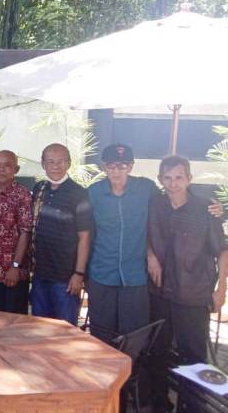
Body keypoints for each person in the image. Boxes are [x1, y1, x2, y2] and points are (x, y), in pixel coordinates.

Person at [147, 156, 228, 411]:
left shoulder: (206, 208)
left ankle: (192, 406)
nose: (173, 183)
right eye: (167, 178)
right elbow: (145, 233)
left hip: (193, 294)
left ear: (189, 179)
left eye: (179, 177)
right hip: (160, 292)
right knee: (158, 351)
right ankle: (160, 404)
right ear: (160, 180)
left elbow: (222, 251)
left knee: (193, 357)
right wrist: (150, 256)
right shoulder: (155, 204)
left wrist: (221, 289)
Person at [86, 144, 158, 340]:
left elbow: (172, 202)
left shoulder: (146, 188)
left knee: (134, 334)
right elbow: (84, 230)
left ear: (131, 166)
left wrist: (210, 206)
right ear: (104, 167)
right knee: (101, 334)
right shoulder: (94, 192)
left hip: (135, 274)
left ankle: (130, 362)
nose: (116, 171)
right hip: (101, 272)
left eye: (122, 166)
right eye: (111, 166)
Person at [29, 144, 93, 325]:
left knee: (65, 331)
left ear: (69, 163)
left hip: (66, 278)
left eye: (61, 161)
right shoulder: (39, 188)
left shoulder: (79, 194)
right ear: (43, 164)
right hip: (40, 274)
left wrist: (78, 274)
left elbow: (85, 237)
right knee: (40, 327)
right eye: (50, 162)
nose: (55, 166)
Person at [0, 150, 32, 314]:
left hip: (12, 272)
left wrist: (15, 266)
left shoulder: (23, 196)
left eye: (7, 165)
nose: (1, 169)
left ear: (16, 169)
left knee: (12, 321)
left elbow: (25, 232)